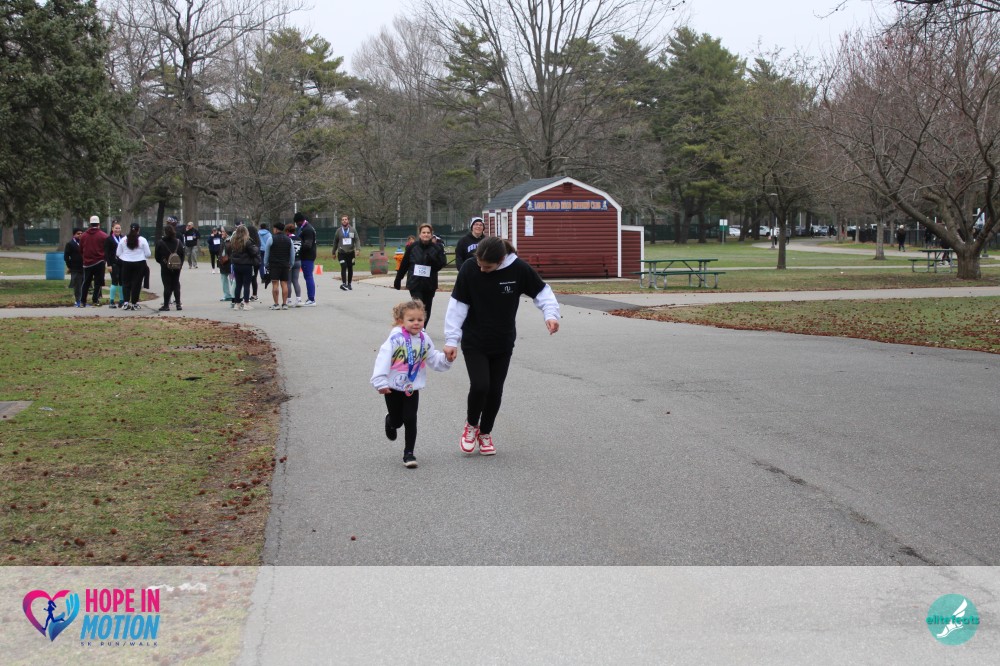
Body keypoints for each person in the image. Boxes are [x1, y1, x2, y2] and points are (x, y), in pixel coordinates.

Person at [443, 237, 560, 456]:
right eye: (479, 264)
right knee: (480, 385)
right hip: (474, 340)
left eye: (487, 267)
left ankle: (485, 433)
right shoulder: (469, 269)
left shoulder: (518, 269)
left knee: (495, 390)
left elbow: (543, 292)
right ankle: (471, 426)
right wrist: (451, 340)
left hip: (502, 341)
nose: (482, 269)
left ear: (502, 260)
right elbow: (457, 305)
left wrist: (551, 315)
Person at [371, 300, 452, 468]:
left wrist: (446, 359)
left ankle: (409, 453)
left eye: (420, 319)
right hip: (392, 388)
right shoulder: (395, 339)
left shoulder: (424, 339)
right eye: (411, 320)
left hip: (412, 387)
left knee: (410, 418)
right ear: (401, 321)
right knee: (397, 421)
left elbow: (432, 357)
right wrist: (380, 381)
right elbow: (383, 359)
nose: (416, 323)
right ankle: (390, 421)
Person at [394, 223, 447, 324]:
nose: (426, 234)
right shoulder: (412, 247)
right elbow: (404, 264)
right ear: (420, 234)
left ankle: (423, 329)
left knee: (426, 309)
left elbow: (441, 264)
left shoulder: (437, 248)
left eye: (428, 233)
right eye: (424, 232)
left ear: (431, 234)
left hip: (429, 284)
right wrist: (398, 279)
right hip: (415, 283)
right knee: (418, 306)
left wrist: (432, 260)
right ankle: (417, 329)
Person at [116, 223, 151, 311]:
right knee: (137, 283)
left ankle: (126, 302)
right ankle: (134, 303)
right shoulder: (142, 240)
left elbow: (118, 253)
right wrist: (140, 255)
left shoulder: (123, 239)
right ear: (139, 229)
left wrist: (125, 256)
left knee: (125, 283)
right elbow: (148, 254)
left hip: (126, 263)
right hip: (139, 263)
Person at [154, 223, 185, 311]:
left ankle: (166, 305)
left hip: (165, 266)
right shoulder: (178, 242)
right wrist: (180, 264)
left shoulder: (160, 243)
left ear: (165, 232)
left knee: (167, 285)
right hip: (177, 266)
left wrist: (162, 263)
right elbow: (182, 254)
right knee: (176, 284)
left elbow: (157, 256)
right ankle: (178, 304)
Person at [79, 215, 109, 306]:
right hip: (99, 262)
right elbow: (107, 249)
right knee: (98, 282)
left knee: (86, 282)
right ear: (99, 224)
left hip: (87, 263)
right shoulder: (104, 236)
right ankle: (95, 300)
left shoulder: (83, 236)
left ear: (90, 224)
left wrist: (84, 257)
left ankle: (82, 301)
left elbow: (80, 249)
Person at [228, 225, 259, 310]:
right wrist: (256, 248)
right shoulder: (247, 241)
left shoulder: (233, 241)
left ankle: (237, 303)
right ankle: (246, 303)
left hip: (236, 265)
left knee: (238, 285)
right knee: (246, 285)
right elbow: (253, 252)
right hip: (246, 264)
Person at [268, 220, 293, 310]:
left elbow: (267, 253)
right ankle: (285, 304)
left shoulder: (271, 239)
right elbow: (292, 254)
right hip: (285, 264)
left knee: (275, 284)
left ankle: (276, 304)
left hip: (274, 264)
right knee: (284, 284)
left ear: (275, 229)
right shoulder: (289, 239)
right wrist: (291, 264)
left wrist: (266, 264)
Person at [294, 212, 317, 306]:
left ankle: (311, 299)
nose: (296, 225)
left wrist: (298, 247)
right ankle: (310, 298)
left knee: (308, 277)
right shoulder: (305, 228)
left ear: (299, 221)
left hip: (307, 256)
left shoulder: (307, 229)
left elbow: (308, 245)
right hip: (307, 255)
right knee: (308, 276)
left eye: (296, 222)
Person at [333, 214, 359, 291]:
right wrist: (333, 252)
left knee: (350, 268)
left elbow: (357, 240)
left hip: (351, 253)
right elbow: (335, 242)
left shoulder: (353, 230)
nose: (344, 221)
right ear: (341, 221)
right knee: (343, 266)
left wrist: (358, 249)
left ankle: (349, 284)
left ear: (348, 221)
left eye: (345, 219)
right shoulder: (338, 231)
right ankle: (344, 283)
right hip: (341, 253)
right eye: (343, 219)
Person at [104, 220, 125, 308]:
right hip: (113, 263)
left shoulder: (123, 238)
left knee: (122, 282)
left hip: (122, 263)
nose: (117, 230)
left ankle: (122, 301)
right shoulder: (108, 239)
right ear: (112, 229)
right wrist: (108, 265)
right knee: (114, 281)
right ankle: (111, 301)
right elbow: (106, 253)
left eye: (119, 228)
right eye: (116, 228)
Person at [64, 228, 85, 307]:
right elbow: (66, 257)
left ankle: (83, 300)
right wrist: (69, 266)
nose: (80, 235)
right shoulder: (70, 244)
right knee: (77, 284)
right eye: (78, 234)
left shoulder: (84, 243)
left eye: (81, 233)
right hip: (75, 267)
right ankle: (77, 300)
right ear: (74, 235)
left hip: (84, 266)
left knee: (84, 284)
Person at [286, 223, 303, 307]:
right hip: (298, 260)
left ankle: (289, 300)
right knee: (295, 280)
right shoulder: (299, 238)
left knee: (288, 281)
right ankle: (298, 299)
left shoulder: (287, 239)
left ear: (287, 231)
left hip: (290, 261)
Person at [217, 227, 233, 302]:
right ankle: (227, 295)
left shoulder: (231, 240)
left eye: (223, 231)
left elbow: (233, 252)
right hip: (223, 263)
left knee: (232, 280)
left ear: (226, 232)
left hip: (230, 263)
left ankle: (234, 295)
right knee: (223, 279)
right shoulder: (222, 240)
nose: (221, 233)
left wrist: (228, 258)